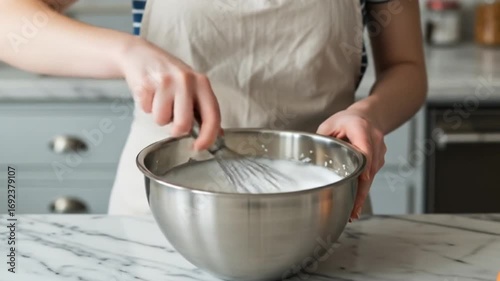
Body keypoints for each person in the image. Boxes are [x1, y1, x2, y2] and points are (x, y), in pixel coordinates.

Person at [0, 0, 427, 220]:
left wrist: (370, 114)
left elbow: (406, 68)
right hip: (161, 212)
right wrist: (128, 52)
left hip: (320, 211)